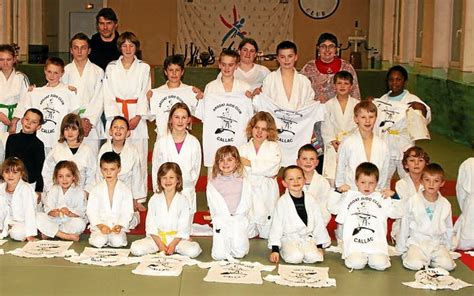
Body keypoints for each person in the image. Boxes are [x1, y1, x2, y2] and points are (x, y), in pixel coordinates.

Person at [102, 31, 150, 190]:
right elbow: (107, 93)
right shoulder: (111, 67)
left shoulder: (144, 67)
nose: (128, 49)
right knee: (115, 154)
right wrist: (117, 120)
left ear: (136, 47)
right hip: (117, 114)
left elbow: (145, 92)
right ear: (119, 47)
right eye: (124, 45)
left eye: (131, 45)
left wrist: (138, 116)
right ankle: (113, 189)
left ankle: (138, 196)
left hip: (136, 115)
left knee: (139, 156)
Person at [336, 162, 400, 271]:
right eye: (363, 182)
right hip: (355, 244)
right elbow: (333, 207)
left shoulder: (382, 197)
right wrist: (338, 191)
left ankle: (374, 256)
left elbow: (397, 212)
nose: (367, 186)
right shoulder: (349, 196)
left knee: (380, 264)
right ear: (356, 182)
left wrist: (394, 196)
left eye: (371, 183)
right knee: (355, 263)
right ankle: (357, 256)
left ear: (376, 183)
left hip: (376, 243)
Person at [196, 49, 253, 169]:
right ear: (219, 65)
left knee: (237, 177)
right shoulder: (210, 88)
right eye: (224, 64)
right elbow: (203, 116)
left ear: (236, 66)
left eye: (231, 65)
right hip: (215, 143)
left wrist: (252, 98)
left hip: (237, 141)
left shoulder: (245, 88)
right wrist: (201, 99)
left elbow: (251, 117)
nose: (227, 68)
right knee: (214, 178)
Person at [131, 162, 202, 258]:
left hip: (176, 239)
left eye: (171, 177)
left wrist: (173, 244)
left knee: (193, 250)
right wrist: (160, 244)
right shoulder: (154, 199)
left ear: (178, 180)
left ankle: (173, 247)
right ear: (159, 180)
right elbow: (150, 224)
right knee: (135, 248)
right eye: (164, 177)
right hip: (157, 238)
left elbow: (184, 226)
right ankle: (161, 247)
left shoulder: (183, 200)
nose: (167, 181)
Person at [13, 57, 80, 155]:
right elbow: (25, 111)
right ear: (44, 71)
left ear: (62, 73)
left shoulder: (67, 91)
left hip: (59, 137)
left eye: (56, 73)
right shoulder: (36, 92)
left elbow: (74, 115)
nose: (52, 75)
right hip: (41, 137)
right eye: (49, 71)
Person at [396, 163, 456, 271]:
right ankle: (411, 255)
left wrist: (448, 247)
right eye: (427, 180)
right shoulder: (413, 200)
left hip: (436, 243)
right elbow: (405, 223)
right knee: (414, 264)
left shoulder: (445, 204)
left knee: (448, 265)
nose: (431, 184)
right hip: (417, 242)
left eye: (436, 181)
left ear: (442, 183)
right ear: (422, 181)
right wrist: (401, 247)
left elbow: (449, 227)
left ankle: (432, 259)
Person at [377, 65, 431, 183]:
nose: (394, 83)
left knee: (409, 180)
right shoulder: (383, 99)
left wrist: (422, 109)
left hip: (405, 144)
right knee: (382, 179)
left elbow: (425, 120)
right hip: (386, 142)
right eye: (391, 79)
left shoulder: (412, 99)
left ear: (405, 81)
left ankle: (410, 200)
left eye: (398, 79)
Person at [268, 165, 330, 264]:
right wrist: (275, 250)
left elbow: (318, 223)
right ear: (284, 183)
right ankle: (284, 250)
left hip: (306, 238)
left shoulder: (311, 199)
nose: (296, 182)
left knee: (314, 257)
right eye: (291, 179)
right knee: (295, 258)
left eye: (299, 178)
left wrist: (319, 246)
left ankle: (306, 250)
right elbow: (276, 226)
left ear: (304, 180)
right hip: (289, 238)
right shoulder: (282, 202)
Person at [152, 103, 201, 223]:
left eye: (184, 117)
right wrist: (158, 190)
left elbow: (196, 170)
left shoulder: (194, 143)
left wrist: (187, 184)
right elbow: (155, 168)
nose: (180, 121)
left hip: (186, 191)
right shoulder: (161, 142)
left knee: (183, 234)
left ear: (189, 120)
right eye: (176, 117)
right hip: (165, 191)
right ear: (170, 120)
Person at [238, 111, 281, 239]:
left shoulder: (274, 147)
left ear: (269, 132)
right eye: (256, 128)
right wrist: (263, 169)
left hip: (266, 192)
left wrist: (249, 163)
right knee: (246, 234)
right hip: (249, 191)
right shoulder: (243, 148)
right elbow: (240, 170)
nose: (259, 132)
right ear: (251, 128)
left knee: (267, 235)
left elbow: (273, 169)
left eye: (264, 129)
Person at [62, 32, 105, 156]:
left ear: (89, 50)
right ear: (71, 50)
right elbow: (62, 98)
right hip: (70, 124)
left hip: (90, 126)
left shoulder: (98, 71)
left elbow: (99, 99)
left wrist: (88, 121)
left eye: (83, 48)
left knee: (91, 160)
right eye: (76, 48)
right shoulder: (64, 71)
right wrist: (75, 121)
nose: (79, 51)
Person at [207, 145, 252, 260]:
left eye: (230, 159)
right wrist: (218, 219)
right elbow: (212, 204)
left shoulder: (243, 181)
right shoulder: (213, 183)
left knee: (239, 253)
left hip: (238, 219)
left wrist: (241, 217)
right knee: (219, 255)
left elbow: (247, 201)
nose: (225, 163)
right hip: (222, 220)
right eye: (221, 160)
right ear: (217, 163)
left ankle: (239, 242)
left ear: (237, 162)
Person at [335, 100, 390, 191]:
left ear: (376, 118)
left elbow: (384, 173)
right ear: (356, 119)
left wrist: (381, 191)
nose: (367, 121)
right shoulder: (348, 142)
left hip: (374, 193)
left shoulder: (382, 145)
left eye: (371, 117)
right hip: (351, 192)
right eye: (363, 117)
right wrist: (340, 187)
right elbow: (340, 169)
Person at [97, 116, 145, 213]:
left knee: (127, 219)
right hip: (107, 191)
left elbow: (137, 176)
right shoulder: (104, 149)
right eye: (115, 127)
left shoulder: (132, 150)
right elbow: (99, 174)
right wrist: (99, 195)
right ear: (110, 131)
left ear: (128, 133)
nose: (118, 130)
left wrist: (136, 199)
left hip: (126, 192)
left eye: (122, 128)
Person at [148, 54, 203, 139]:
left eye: (177, 70)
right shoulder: (157, 93)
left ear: (182, 72)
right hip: (163, 137)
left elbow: (200, 113)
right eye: (171, 70)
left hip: (183, 138)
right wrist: (148, 100)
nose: (174, 73)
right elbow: (150, 117)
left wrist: (201, 98)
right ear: (165, 72)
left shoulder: (190, 91)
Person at [87, 152, 134, 248]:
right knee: (98, 242)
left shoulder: (125, 190)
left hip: (116, 225)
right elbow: (91, 211)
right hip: (101, 225)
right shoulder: (96, 190)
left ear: (119, 169)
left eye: (112, 169)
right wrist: (100, 226)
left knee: (118, 242)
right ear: (101, 170)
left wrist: (120, 225)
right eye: (105, 169)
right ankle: (103, 238)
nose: (108, 173)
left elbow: (127, 211)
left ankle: (114, 237)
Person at [42, 113, 96, 194]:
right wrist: (51, 190)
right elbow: (47, 171)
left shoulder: (87, 150)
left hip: (79, 195)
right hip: (59, 194)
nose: (70, 132)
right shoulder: (57, 148)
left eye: (74, 129)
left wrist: (86, 192)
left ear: (79, 130)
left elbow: (92, 175)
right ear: (62, 131)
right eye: (66, 129)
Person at [321, 71, 359, 185]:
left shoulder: (357, 104)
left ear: (351, 87)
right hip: (334, 145)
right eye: (339, 83)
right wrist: (332, 140)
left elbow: (360, 125)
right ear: (334, 86)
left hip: (351, 143)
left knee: (350, 173)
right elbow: (326, 125)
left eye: (346, 83)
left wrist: (350, 141)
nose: (342, 86)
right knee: (332, 176)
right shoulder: (328, 105)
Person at [300, 32, 360, 103]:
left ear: (336, 49)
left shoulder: (347, 67)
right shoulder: (309, 68)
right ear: (318, 48)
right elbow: (300, 92)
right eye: (323, 46)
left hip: (340, 110)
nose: (327, 50)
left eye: (331, 46)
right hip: (316, 110)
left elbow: (355, 93)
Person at [36, 161, 86, 241]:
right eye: (60, 176)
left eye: (68, 176)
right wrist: (53, 212)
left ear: (74, 177)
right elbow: (48, 208)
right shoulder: (54, 189)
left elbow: (81, 212)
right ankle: (65, 236)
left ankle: (51, 233)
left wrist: (69, 213)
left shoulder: (79, 191)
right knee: (37, 216)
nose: (64, 179)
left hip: (69, 221)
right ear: (56, 178)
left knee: (80, 224)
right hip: (54, 220)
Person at [261, 41, 315, 110]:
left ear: (296, 57)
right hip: (274, 120)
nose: (286, 60)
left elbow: (309, 105)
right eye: (282, 57)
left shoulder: (304, 81)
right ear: (277, 58)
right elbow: (264, 104)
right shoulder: (270, 79)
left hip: (299, 120)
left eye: (290, 56)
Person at [391, 146, 429, 241]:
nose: (416, 163)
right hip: (405, 227)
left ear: (426, 164)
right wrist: (394, 196)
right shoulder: (401, 184)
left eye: (420, 160)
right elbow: (404, 209)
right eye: (412, 160)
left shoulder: (431, 183)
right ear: (406, 165)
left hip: (425, 226)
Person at [5, 108, 45, 198]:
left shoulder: (38, 144)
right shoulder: (11, 139)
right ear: (22, 120)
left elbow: (39, 169)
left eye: (34, 122)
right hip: (10, 182)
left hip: (28, 185)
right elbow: (6, 162)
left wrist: (38, 189)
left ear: (38, 126)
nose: (29, 123)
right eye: (27, 119)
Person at [0, 157, 37, 241]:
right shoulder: (1, 188)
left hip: (22, 221)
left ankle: (14, 230)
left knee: (17, 234)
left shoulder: (25, 188)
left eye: (15, 172)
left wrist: (30, 233)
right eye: (7, 172)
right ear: (2, 173)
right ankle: (7, 229)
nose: (10, 175)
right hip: (7, 220)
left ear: (21, 174)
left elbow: (29, 211)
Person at [296, 144, 331, 225]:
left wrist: (319, 226)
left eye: (312, 159)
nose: (308, 162)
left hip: (318, 225)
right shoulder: (293, 180)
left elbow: (325, 208)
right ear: (298, 162)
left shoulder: (323, 182)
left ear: (317, 162)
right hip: (296, 225)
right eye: (304, 159)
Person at [0, 44, 29, 134]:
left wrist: (14, 120)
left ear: (14, 60)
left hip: (16, 117)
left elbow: (25, 100)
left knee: (13, 145)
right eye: (1, 59)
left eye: (8, 59)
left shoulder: (21, 77)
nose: (5, 63)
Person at [454, 157, 474, 250]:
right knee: (465, 242)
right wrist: (466, 209)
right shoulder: (469, 164)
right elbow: (460, 191)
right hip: (471, 209)